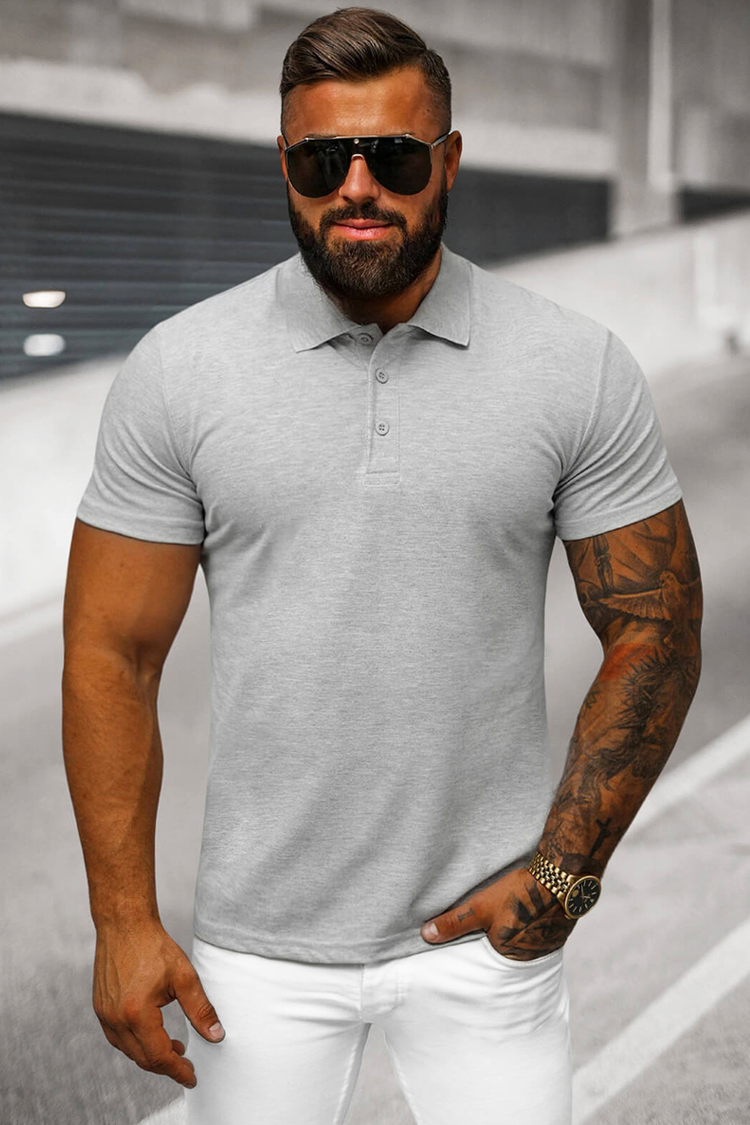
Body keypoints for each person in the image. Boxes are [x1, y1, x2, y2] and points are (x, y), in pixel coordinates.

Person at [61, 8, 703, 1125]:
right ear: (286, 166)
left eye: (395, 157)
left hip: (486, 947)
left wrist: (562, 874)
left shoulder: (574, 367)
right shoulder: (181, 371)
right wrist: (122, 920)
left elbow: (657, 627)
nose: (357, 186)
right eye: (324, 159)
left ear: (447, 160)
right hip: (255, 958)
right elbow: (112, 653)